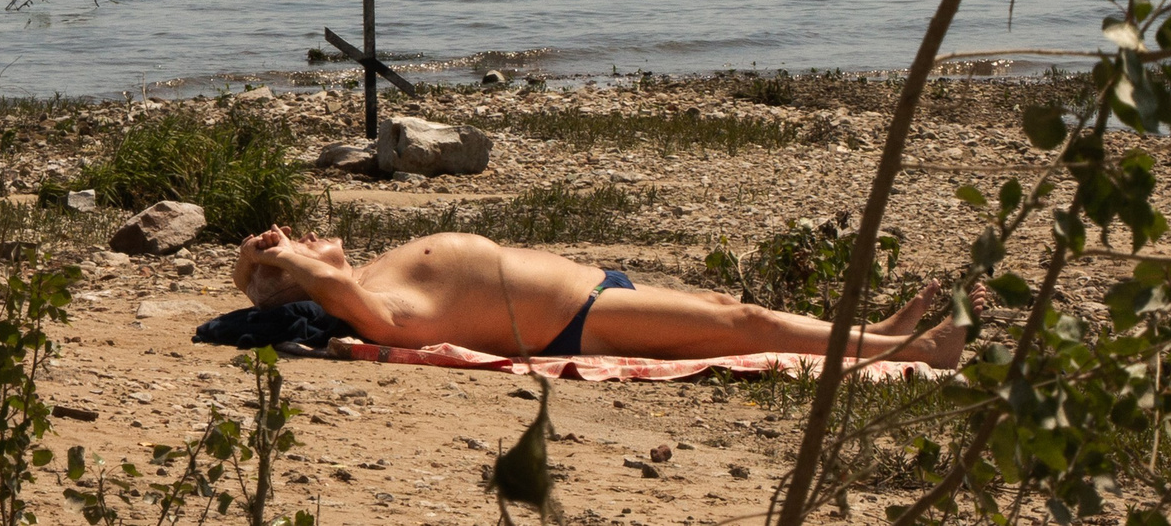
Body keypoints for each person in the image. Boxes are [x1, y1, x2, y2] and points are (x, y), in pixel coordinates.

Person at [230, 225, 984, 364]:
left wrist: (254, 267)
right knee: (743, 319)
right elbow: (329, 291)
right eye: (294, 246)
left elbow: (275, 290)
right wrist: (283, 260)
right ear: (307, 277)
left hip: (595, 293)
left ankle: (880, 333)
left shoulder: (371, 279)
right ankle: (914, 350)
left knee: (735, 315)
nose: (300, 235)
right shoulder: (373, 308)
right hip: (579, 321)